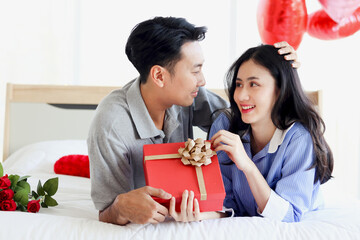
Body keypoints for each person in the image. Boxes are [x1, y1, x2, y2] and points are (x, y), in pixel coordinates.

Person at [87, 16, 299, 225]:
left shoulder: (188, 96)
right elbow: (105, 211)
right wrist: (121, 207)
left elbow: (249, 115)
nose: (203, 80)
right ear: (159, 76)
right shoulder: (111, 124)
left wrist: (284, 72)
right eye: (196, 70)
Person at [206, 44, 334, 222]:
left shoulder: (299, 138)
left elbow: (289, 215)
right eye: (238, 84)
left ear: (280, 89)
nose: (241, 96)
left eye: (254, 84)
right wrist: (200, 214)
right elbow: (227, 204)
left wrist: (247, 166)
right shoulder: (225, 124)